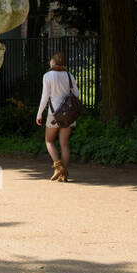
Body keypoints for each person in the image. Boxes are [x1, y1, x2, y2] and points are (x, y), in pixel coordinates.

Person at [36, 52, 80, 182]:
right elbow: (76, 94)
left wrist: (39, 114)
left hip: (54, 114)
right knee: (64, 144)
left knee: (49, 140)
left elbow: (45, 97)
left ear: (53, 62)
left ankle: (58, 166)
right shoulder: (69, 75)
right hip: (69, 114)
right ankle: (63, 174)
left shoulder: (48, 76)